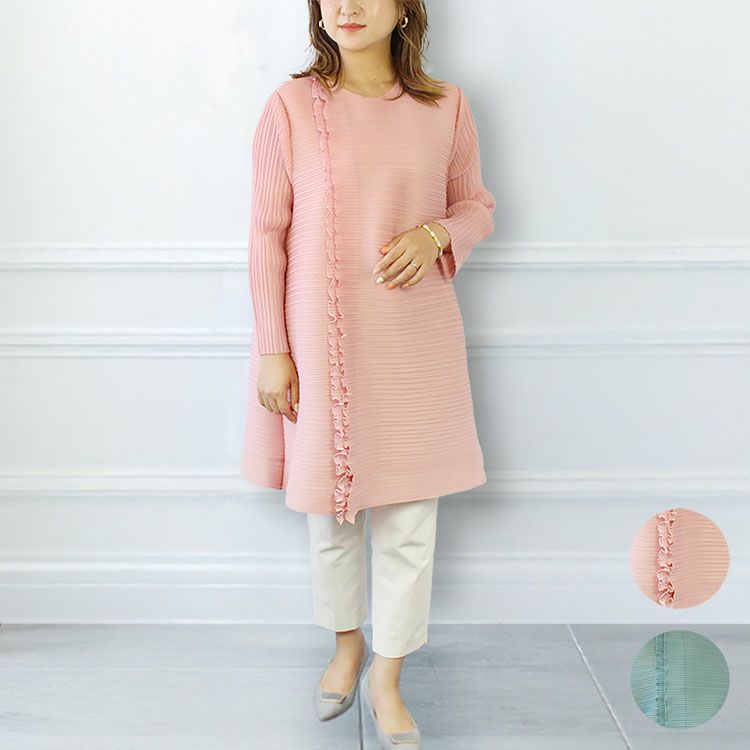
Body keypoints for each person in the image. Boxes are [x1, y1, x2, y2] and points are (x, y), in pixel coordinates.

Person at [240, 1, 495, 746]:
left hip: (416, 338)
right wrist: (273, 348)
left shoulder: (446, 106)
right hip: (320, 342)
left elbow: (477, 206)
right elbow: (266, 234)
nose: (346, 6)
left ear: (405, 9)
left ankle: (388, 674)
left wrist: (436, 232)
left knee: (411, 521)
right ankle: (346, 644)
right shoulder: (290, 107)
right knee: (331, 512)